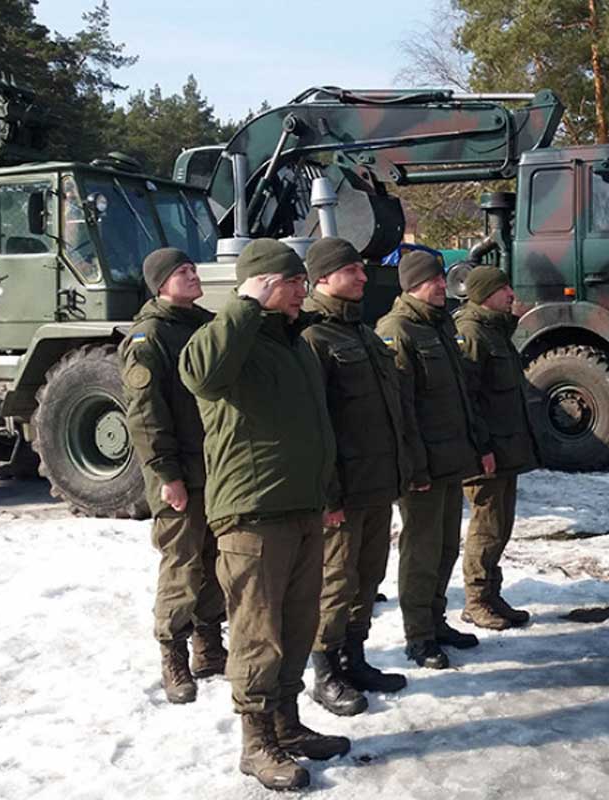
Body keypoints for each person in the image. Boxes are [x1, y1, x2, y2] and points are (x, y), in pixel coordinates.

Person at [179, 238, 347, 791]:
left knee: (298, 627)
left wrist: (325, 496)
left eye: (303, 282)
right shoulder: (230, 339)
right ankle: (256, 744)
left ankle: (287, 725)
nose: (304, 291)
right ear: (264, 284)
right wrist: (246, 303)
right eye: (292, 282)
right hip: (252, 515)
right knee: (258, 633)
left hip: (301, 508)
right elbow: (200, 374)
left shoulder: (293, 344)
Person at [300, 237, 412, 715]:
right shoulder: (314, 339)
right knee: (335, 581)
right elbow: (312, 426)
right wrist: (329, 495)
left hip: (376, 484)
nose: (364, 277)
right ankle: (324, 672)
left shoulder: (362, 334)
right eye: (352, 271)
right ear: (324, 278)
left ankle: (354, 657)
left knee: (367, 577)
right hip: (342, 490)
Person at [120, 248, 225, 706]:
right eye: (181, 272)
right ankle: (174, 655)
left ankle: (208, 646)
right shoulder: (150, 337)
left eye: (192, 268)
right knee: (181, 565)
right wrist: (166, 473)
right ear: (160, 283)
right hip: (179, 472)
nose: (192, 275)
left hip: (215, 468)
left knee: (215, 560)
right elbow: (145, 414)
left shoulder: (202, 324)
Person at [375, 250, 490, 669]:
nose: (443, 285)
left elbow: (460, 396)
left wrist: (475, 447)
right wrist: (414, 467)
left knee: (444, 548)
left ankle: (436, 620)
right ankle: (418, 636)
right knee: (421, 551)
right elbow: (400, 410)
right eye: (433, 280)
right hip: (422, 467)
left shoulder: (440, 325)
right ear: (412, 286)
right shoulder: (398, 329)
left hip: (450, 460)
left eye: (442, 278)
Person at [454, 266, 540, 630]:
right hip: (486, 454)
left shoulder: (494, 330)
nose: (511, 293)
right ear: (486, 294)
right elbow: (468, 400)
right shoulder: (471, 333)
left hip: (506, 452)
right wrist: (481, 448)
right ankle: (475, 600)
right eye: (503, 288)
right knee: (486, 529)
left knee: (501, 527)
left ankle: (492, 593)